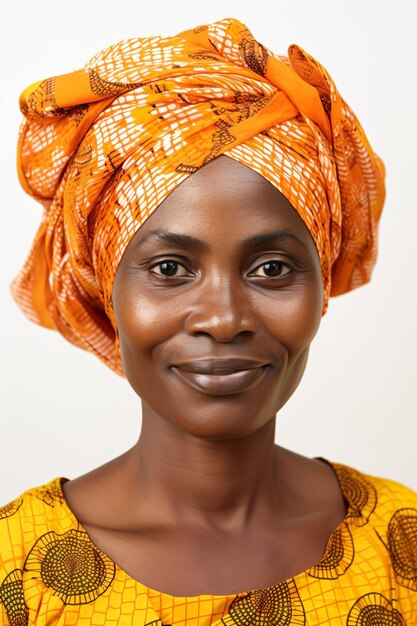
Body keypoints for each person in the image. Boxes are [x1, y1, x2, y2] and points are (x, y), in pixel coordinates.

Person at [1, 16, 416, 626]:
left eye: (273, 269)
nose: (224, 319)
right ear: (103, 289)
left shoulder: (400, 546)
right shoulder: (19, 570)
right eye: (169, 267)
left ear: (323, 284)